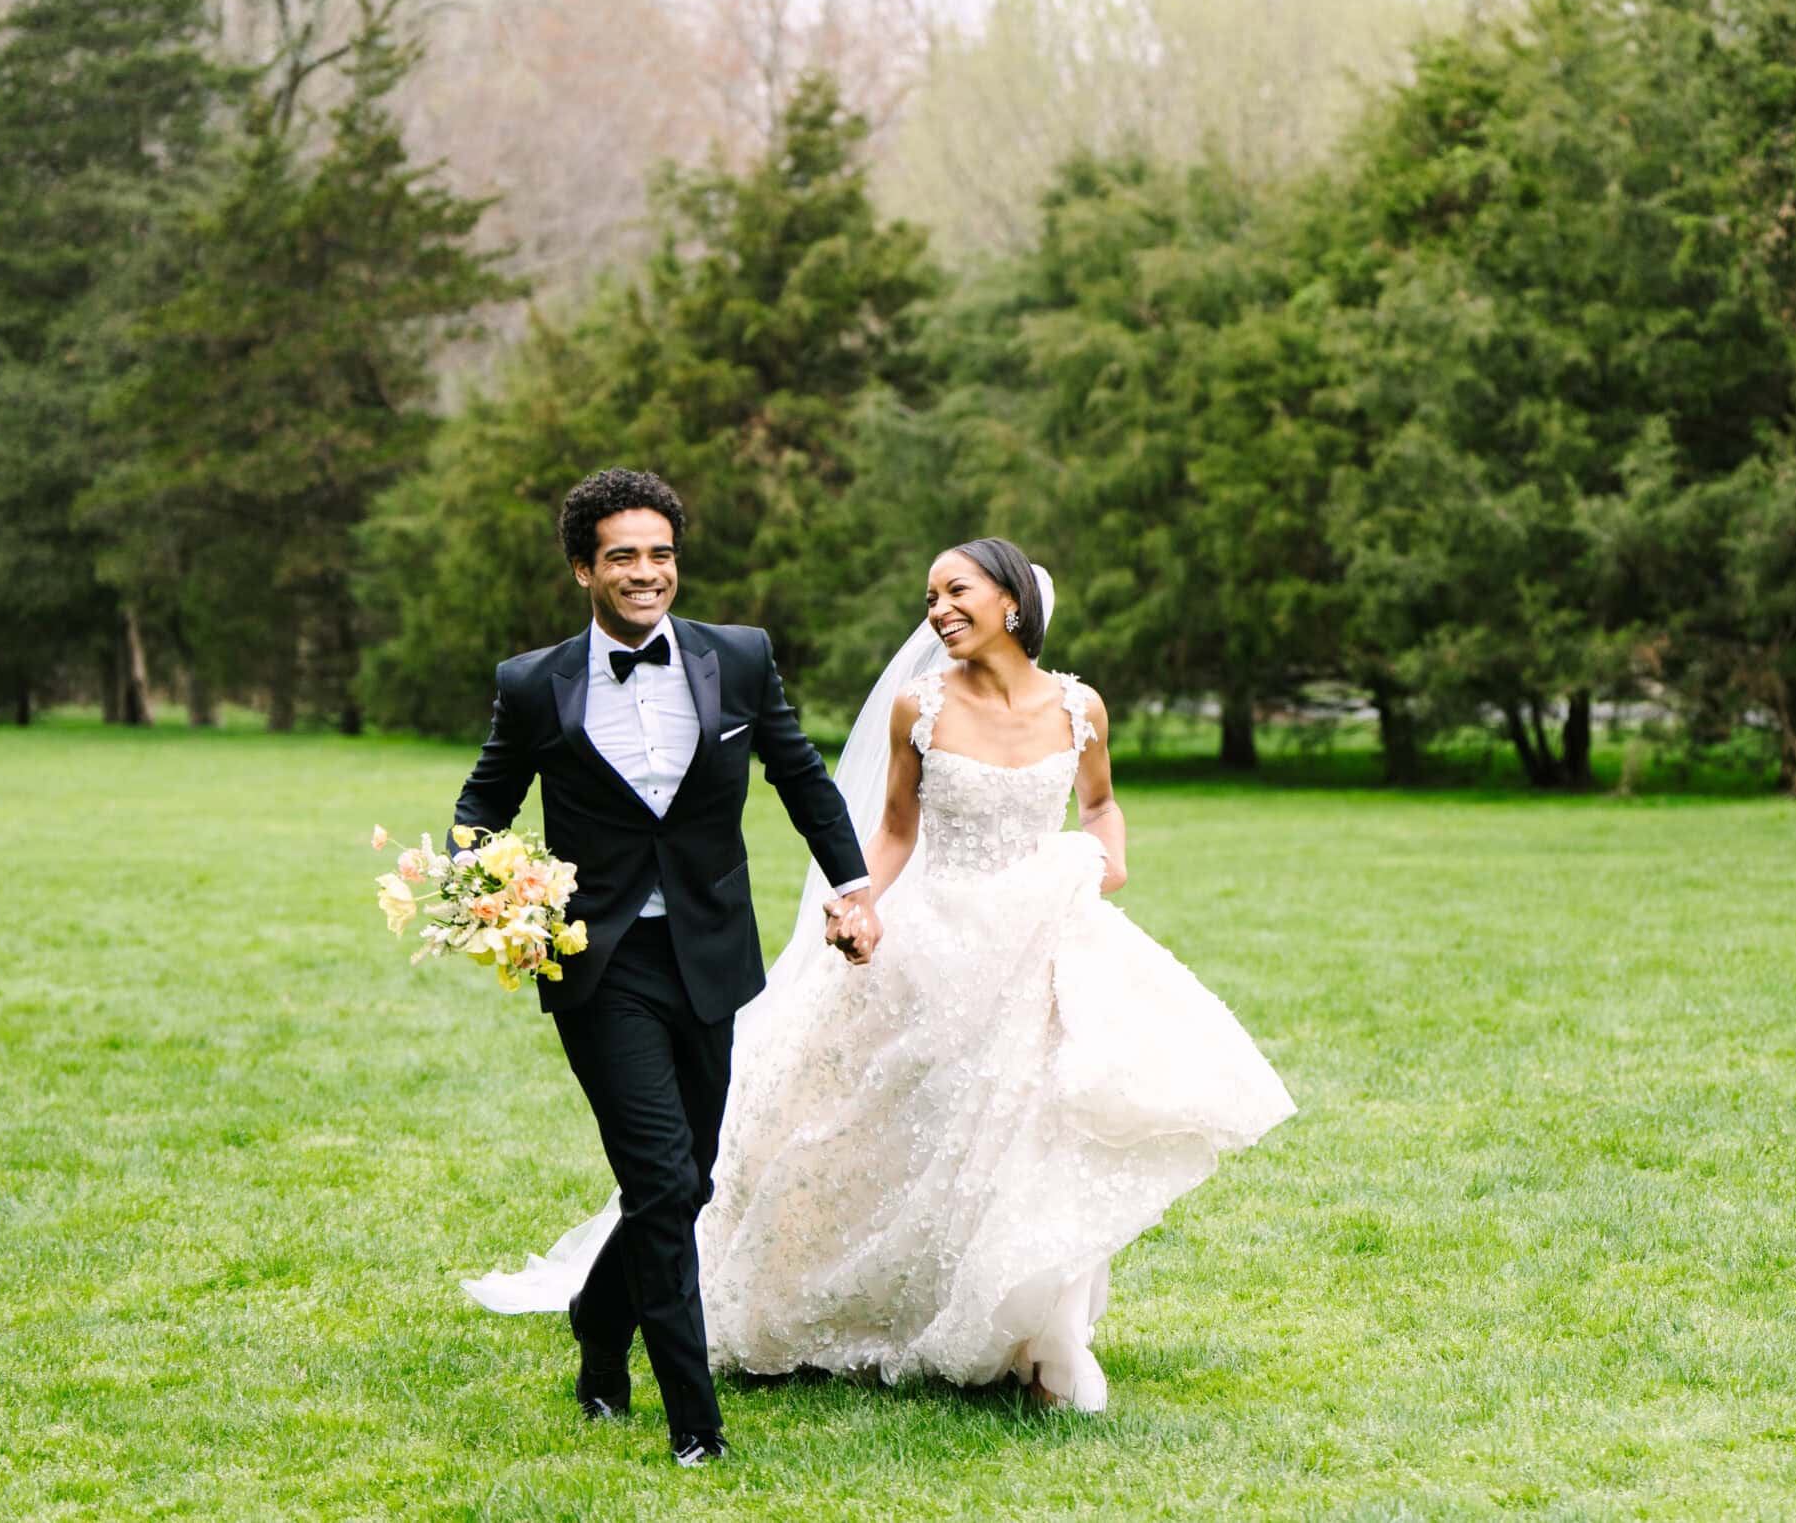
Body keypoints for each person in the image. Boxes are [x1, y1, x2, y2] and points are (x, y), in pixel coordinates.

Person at [467, 536, 1294, 1414]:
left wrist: (1105, 858)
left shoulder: (1081, 708)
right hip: (935, 933)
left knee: (1037, 1128)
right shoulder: (920, 707)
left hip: (1044, 932)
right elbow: (894, 829)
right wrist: (857, 899)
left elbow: (1100, 804)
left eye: (955, 592)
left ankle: (1036, 1335)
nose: (937, 611)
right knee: (874, 1125)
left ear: (1012, 599)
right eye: (931, 597)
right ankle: (848, 1311)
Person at [446, 467, 882, 1469]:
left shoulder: (738, 659)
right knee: (657, 1177)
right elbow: (483, 808)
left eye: (661, 554)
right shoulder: (533, 683)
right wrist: (492, 892)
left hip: (710, 954)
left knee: (684, 1184)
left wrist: (853, 887)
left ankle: (599, 1324)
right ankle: (696, 1426)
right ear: (582, 571)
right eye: (623, 557)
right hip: (598, 966)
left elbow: (800, 774)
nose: (647, 574)